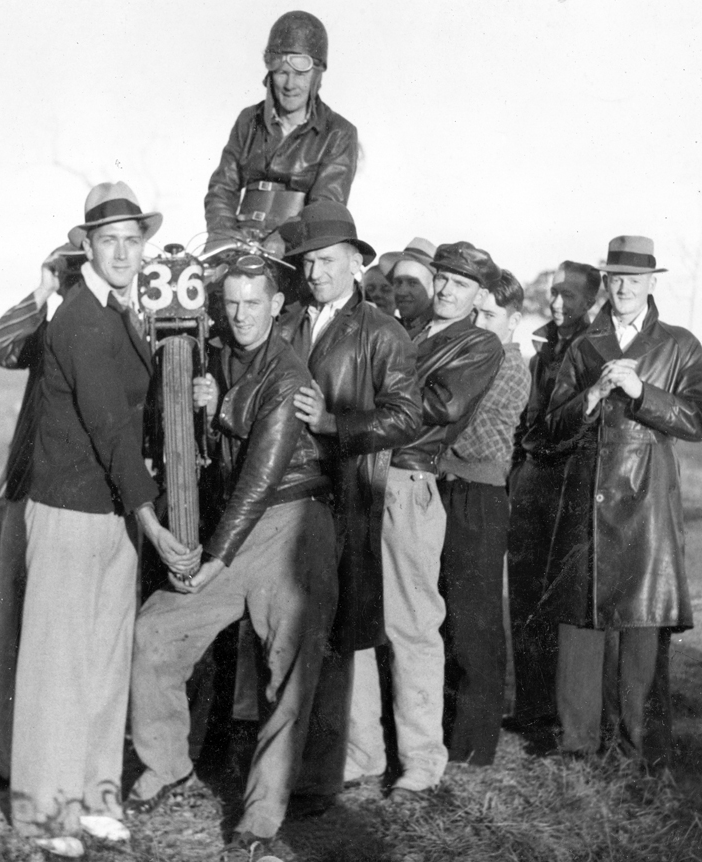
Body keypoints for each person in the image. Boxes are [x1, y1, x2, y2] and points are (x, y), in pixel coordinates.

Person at [10, 182, 199, 859]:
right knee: (60, 668)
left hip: (112, 511)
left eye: (132, 240)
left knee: (103, 663)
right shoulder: (81, 318)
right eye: (109, 240)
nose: (123, 252)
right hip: (70, 512)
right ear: (85, 246)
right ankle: (46, 815)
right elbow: (113, 430)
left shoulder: (121, 313)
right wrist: (152, 523)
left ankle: (96, 801)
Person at [128, 257, 339, 862]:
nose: (241, 315)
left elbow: (258, 482)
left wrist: (212, 563)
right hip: (238, 525)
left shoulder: (288, 373)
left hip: (291, 525)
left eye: (254, 303)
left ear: (277, 306)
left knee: (287, 675)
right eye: (232, 303)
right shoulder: (218, 351)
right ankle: (165, 764)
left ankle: (260, 821)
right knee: (156, 631)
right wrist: (209, 403)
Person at [272, 201, 422, 814]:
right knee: (283, 630)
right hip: (280, 497)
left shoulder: (382, 332)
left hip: (342, 498)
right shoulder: (286, 320)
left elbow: (407, 416)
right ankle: (279, 761)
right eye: (307, 263)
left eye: (328, 262)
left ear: (357, 262)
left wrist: (335, 422)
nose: (315, 273)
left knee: (332, 637)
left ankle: (319, 778)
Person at [544, 235, 702, 768]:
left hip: (646, 501)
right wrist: (591, 398)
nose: (622, 288)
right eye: (615, 278)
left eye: (634, 280)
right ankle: (577, 748)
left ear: (651, 284)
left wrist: (643, 394)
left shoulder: (679, 344)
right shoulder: (581, 345)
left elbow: (699, 420)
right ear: (606, 280)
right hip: (586, 494)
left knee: (643, 626)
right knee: (580, 622)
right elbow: (550, 428)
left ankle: (642, 753)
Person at [346, 241, 503, 800]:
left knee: (411, 626)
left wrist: (365, 404)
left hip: (409, 479)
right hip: (366, 473)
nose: (444, 290)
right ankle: (361, 752)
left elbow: (442, 406)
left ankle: (421, 760)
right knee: (359, 618)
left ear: (479, 294)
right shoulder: (409, 332)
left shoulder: (479, 344)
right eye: (441, 278)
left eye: (459, 285)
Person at [0, 243, 82, 792]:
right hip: (28, 490)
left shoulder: (115, 324)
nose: (72, 278)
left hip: (79, 502)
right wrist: (41, 292)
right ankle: (5, 757)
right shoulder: (49, 329)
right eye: (66, 269)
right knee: (14, 627)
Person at [438, 270, 530, 766]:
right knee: (448, 618)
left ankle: (475, 745)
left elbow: (463, 431)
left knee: (475, 625)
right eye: (475, 312)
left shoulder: (509, 369)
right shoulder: (474, 358)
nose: (478, 322)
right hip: (450, 492)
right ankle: (453, 734)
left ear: (514, 321)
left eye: (490, 316)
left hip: (479, 498)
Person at [507, 261, 600, 727]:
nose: (558, 303)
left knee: (563, 597)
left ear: (592, 301)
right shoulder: (541, 347)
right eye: (554, 293)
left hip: (572, 480)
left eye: (570, 295)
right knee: (524, 593)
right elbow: (528, 416)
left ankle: (567, 717)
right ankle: (531, 708)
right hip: (531, 477)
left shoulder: (597, 349)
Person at [204, 11, 357, 248]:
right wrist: (224, 235)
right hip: (238, 243)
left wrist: (284, 239)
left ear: (316, 75)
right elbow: (222, 187)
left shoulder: (338, 133)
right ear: (270, 74)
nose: (289, 84)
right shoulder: (248, 120)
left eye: (300, 74)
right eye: (282, 73)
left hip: (296, 249)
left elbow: (325, 206)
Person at [379, 237, 437, 339]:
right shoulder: (390, 329)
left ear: (433, 287)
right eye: (398, 282)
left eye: (412, 283)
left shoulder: (438, 334)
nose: (402, 292)